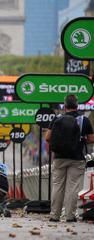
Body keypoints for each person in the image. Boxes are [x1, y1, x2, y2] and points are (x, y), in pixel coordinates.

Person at [45, 94, 94, 222]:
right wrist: (80, 141)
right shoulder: (84, 120)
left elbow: (47, 138)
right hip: (77, 158)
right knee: (72, 187)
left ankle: (54, 215)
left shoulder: (57, 119)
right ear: (77, 106)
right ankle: (70, 216)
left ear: (64, 106)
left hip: (59, 158)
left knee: (57, 185)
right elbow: (92, 139)